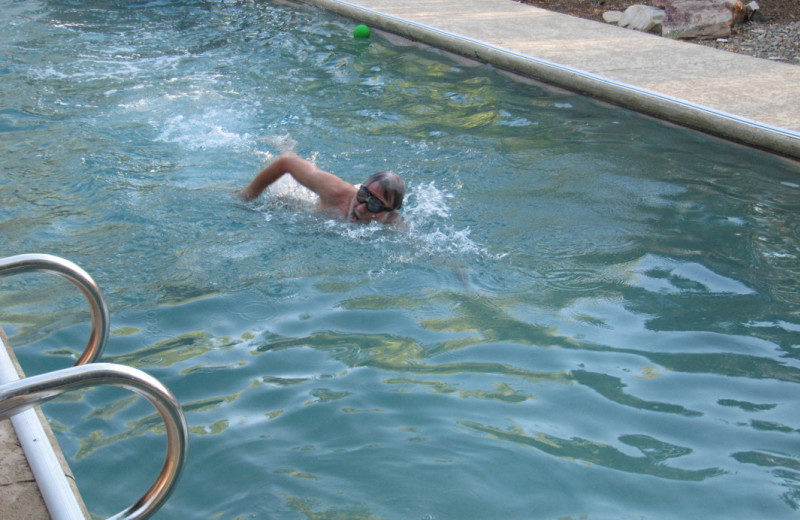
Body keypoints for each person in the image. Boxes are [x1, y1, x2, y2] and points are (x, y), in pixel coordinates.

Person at [239, 154, 405, 226]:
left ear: (388, 212)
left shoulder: (391, 222)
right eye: (362, 196)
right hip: (300, 198)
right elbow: (286, 162)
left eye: (374, 206)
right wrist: (248, 194)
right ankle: (285, 144)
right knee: (285, 202)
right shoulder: (337, 192)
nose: (360, 208)